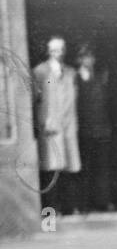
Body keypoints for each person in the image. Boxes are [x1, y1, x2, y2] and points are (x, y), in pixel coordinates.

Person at [32, 36, 81, 213]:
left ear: (64, 51)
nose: (57, 54)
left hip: (67, 125)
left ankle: (69, 208)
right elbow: (35, 100)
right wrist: (43, 122)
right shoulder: (40, 72)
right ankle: (51, 213)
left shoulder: (70, 72)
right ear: (48, 51)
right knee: (51, 169)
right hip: (50, 127)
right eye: (54, 50)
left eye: (60, 50)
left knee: (68, 168)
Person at [74, 44, 113, 213]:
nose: (89, 59)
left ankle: (103, 202)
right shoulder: (74, 78)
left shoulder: (100, 77)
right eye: (85, 56)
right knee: (84, 168)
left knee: (102, 168)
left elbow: (106, 103)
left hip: (101, 129)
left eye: (91, 56)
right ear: (80, 59)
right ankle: (83, 204)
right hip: (83, 130)